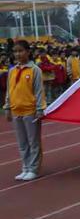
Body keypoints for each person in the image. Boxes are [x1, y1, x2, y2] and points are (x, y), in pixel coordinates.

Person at [4, 40, 46, 181]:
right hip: (16, 110)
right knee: (22, 143)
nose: (18, 54)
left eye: (21, 51)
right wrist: (8, 107)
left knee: (33, 142)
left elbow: (39, 91)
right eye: (15, 51)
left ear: (28, 52)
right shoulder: (12, 70)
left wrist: (40, 108)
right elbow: (9, 91)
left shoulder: (35, 70)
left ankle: (34, 169)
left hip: (30, 110)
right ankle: (25, 167)